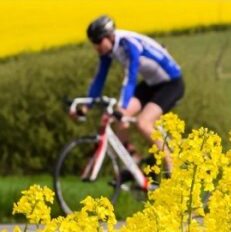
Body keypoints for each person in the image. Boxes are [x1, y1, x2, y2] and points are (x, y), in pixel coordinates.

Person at [77, 14, 184, 176]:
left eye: (98, 41)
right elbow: (100, 78)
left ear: (109, 36)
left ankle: (171, 163)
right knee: (117, 117)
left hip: (171, 84)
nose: (96, 47)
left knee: (143, 123)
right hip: (151, 84)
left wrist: (123, 104)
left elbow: (131, 76)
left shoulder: (128, 43)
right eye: (93, 43)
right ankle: (133, 162)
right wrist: (87, 105)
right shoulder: (108, 51)